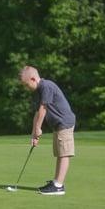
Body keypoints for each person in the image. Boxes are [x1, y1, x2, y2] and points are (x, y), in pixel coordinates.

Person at [20, 66, 76, 195]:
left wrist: (39, 128)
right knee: (59, 153)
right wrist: (34, 133)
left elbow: (43, 109)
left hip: (64, 122)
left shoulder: (46, 86)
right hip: (58, 125)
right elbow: (37, 112)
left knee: (64, 153)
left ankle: (58, 186)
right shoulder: (39, 90)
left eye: (27, 85)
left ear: (33, 79)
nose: (26, 88)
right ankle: (56, 182)